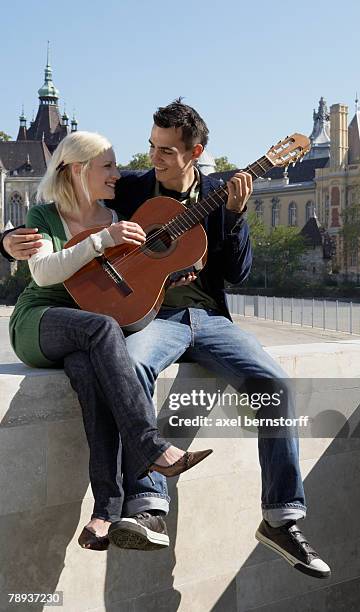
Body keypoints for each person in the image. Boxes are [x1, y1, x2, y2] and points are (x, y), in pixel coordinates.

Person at [2, 101, 331, 578]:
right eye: (152, 147)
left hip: (210, 318)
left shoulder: (222, 192)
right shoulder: (132, 188)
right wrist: (7, 240)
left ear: (195, 152)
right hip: (153, 317)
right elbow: (66, 207)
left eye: (166, 151)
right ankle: (148, 504)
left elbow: (238, 274)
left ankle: (282, 518)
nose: (152, 157)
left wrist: (236, 217)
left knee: (274, 383)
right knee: (128, 365)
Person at [7, 130, 212, 550]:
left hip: (84, 333)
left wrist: (169, 278)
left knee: (90, 374)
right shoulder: (46, 215)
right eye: (109, 166)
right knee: (102, 329)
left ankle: (104, 512)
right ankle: (152, 447)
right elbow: (44, 273)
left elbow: (126, 285)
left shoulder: (117, 220)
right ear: (80, 170)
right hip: (40, 321)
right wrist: (103, 240)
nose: (118, 174)